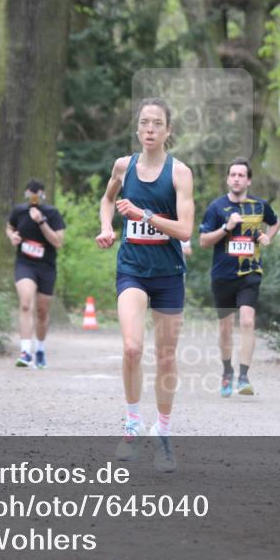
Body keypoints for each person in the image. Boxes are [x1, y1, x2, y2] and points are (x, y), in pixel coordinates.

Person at [96, 98, 194, 472]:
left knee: (166, 356)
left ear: (168, 131)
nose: (150, 129)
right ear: (137, 130)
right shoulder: (124, 166)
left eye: (157, 123)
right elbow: (108, 200)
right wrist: (107, 227)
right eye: (144, 123)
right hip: (132, 269)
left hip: (168, 272)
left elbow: (184, 230)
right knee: (133, 347)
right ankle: (133, 423)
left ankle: (164, 433)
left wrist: (145, 215)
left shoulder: (179, 173)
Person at [198, 157, 280, 397]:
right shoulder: (216, 207)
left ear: (248, 180)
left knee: (247, 321)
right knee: (225, 328)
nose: (236, 179)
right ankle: (227, 372)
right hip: (223, 275)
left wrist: (267, 237)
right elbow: (203, 241)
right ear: (227, 179)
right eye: (232, 175)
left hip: (250, 273)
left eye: (241, 175)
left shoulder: (260, 206)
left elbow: (274, 223)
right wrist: (226, 227)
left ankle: (244, 376)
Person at [6, 179, 66, 369]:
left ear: (43, 195)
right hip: (25, 264)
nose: (33, 198)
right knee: (25, 303)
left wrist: (41, 221)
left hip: (46, 267)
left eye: (37, 194)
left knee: (41, 312)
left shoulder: (52, 213)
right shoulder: (19, 211)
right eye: (30, 195)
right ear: (26, 195)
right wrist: (12, 236)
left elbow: (58, 242)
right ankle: (25, 352)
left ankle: (39, 349)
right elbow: (9, 227)